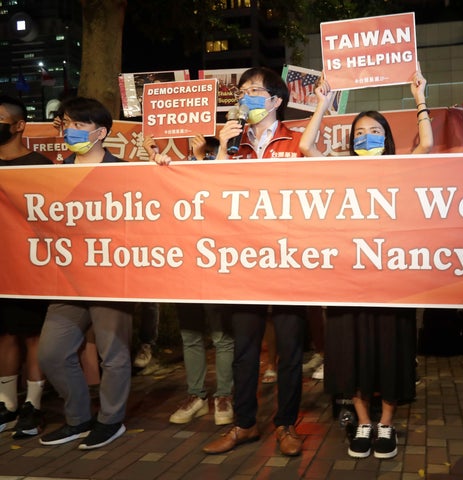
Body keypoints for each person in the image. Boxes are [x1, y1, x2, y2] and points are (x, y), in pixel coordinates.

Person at [298, 68, 432, 459]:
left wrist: (420, 97)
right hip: (347, 281)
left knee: (391, 350)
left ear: (387, 139)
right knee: (349, 350)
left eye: (374, 132)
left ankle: (387, 423)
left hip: (392, 282)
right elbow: (307, 146)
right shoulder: (339, 170)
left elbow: (427, 143)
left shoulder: (400, 169)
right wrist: (323, 102)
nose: (366, 137)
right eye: (359, 133)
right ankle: (362, 421)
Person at [185, 67, 305, 457]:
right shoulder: (233, 143)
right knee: (244, 351)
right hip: (243, 262)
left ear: (275, 101)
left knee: (288, 348)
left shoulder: (297, 143)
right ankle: (245, 424)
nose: (246, 97)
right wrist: (220, 148)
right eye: (242, 91)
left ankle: (286, 425)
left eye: (255, 91)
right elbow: (211, 196)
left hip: (289, 261)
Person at [37, 97, 133, 450]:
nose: (71, 132)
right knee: (51, 352)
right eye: (66, 125)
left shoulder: (125, 173)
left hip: (111, 279)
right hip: (69, 280)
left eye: (79, 125)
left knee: (114, 355)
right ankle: (78, 419)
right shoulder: (52, 174)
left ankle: (110, 421)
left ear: (101, 133)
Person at [142, 137, 235, 426]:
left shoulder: (223, 166)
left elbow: (219, 185)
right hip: (184, 264)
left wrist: (203, 155)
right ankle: (197, 396)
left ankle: (224, 395)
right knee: (190, 335)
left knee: (222, 336)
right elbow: (159, 194)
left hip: (217, 263)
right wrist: (154, 159)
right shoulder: (178, 171)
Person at [0, 95, 52, 439]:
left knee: (34, 337)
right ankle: (7, 404)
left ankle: (33, 405)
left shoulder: (41, 166)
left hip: (32, 269)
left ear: (20, 125)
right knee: (5, 336)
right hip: (1, 270)